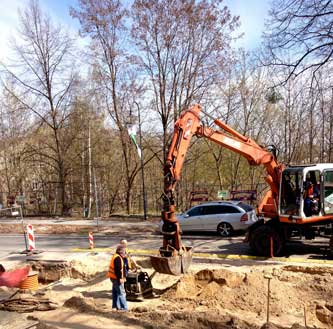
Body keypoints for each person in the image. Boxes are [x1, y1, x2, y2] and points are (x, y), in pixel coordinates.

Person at [107, 245, 128, 311]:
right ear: (121, 252)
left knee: (115, 292)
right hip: (116, 278)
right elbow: (118, 269)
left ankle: (115, 306)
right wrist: (120, 279)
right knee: (121, 293)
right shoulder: (118, 258)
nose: (125, 253)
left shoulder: (116, 256)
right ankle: (124, 308)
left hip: (113, 277)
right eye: (125, 252)